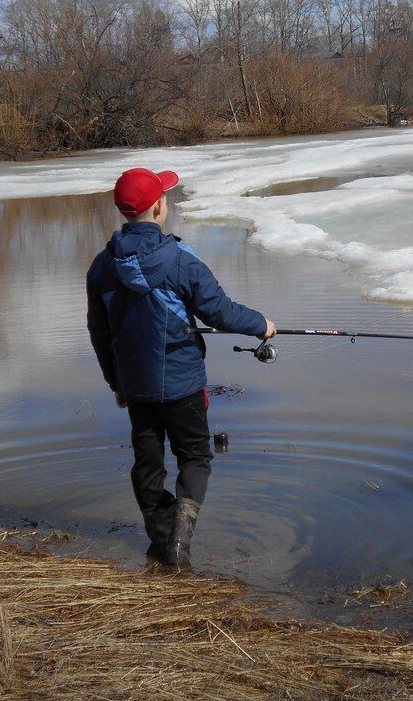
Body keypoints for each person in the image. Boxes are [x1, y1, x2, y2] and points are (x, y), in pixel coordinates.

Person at [86, 167, 276, 567]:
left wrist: (115, 382)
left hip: (136, 385)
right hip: (184, 382)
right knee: (195, 457)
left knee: (148, 462)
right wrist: (261, 325)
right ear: (159, 207)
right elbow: (219, 311)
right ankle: (178, 541)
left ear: (123, 211)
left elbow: (100, 333)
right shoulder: (181, 259)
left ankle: (160, 537)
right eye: (164, 196)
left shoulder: (102, 267)